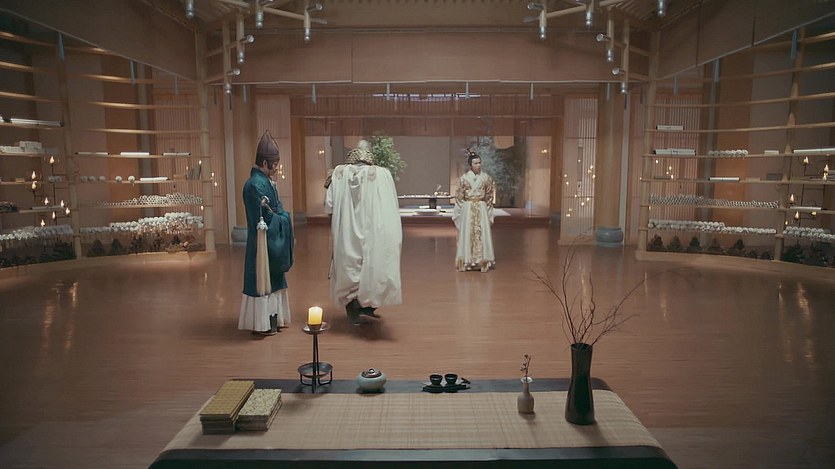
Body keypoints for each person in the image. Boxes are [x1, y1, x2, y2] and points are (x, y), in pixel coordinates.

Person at [325, 139, 402, 325]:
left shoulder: (338, 173)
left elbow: (329, 205)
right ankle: (367, 304)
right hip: (372, 229)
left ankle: (355, 307)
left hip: (346, 232)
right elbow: (390, 208)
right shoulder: (382, 175)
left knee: (349, 265)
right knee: (372, 264)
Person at [239, 130, 294, 336]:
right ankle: (262, 323)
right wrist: (284, 218)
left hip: (270, 240)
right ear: (264, 162)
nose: (277, 167)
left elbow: (276, 208)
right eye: (275, 163)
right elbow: (267, 216)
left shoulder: (265, 181)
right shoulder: (254, 185)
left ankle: (273, 319)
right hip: (262, 242)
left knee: (275, 280)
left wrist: (282, 216)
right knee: (262, 282)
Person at [453, 150, 496, 272]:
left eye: (479, 163)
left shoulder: (486, 178)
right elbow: (459, 197)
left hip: (481, 206)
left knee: (482, 232)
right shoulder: (463, 179)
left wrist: (487, 209)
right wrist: (460, 212)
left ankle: (483, 260)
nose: (478, 165)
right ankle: (467, 260)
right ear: (470, 165)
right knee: (467, 233)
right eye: (476, 163)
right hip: (468, 207)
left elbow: (489, 196)